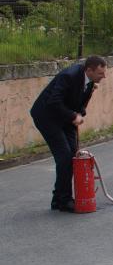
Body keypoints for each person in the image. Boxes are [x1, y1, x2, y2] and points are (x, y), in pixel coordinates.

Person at [30, 56, 108, 211]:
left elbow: (79, 104)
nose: (103, 77)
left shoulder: (90, 81)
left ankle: (58, 198)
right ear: (89, 70)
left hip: (65, 117)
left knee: (73, 155)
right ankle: (64, 200)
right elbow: (53, 102)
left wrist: (79, 112)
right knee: (64, 156)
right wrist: (73, 116)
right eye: (100, 73)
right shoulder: (69, 76)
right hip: (47, 116)